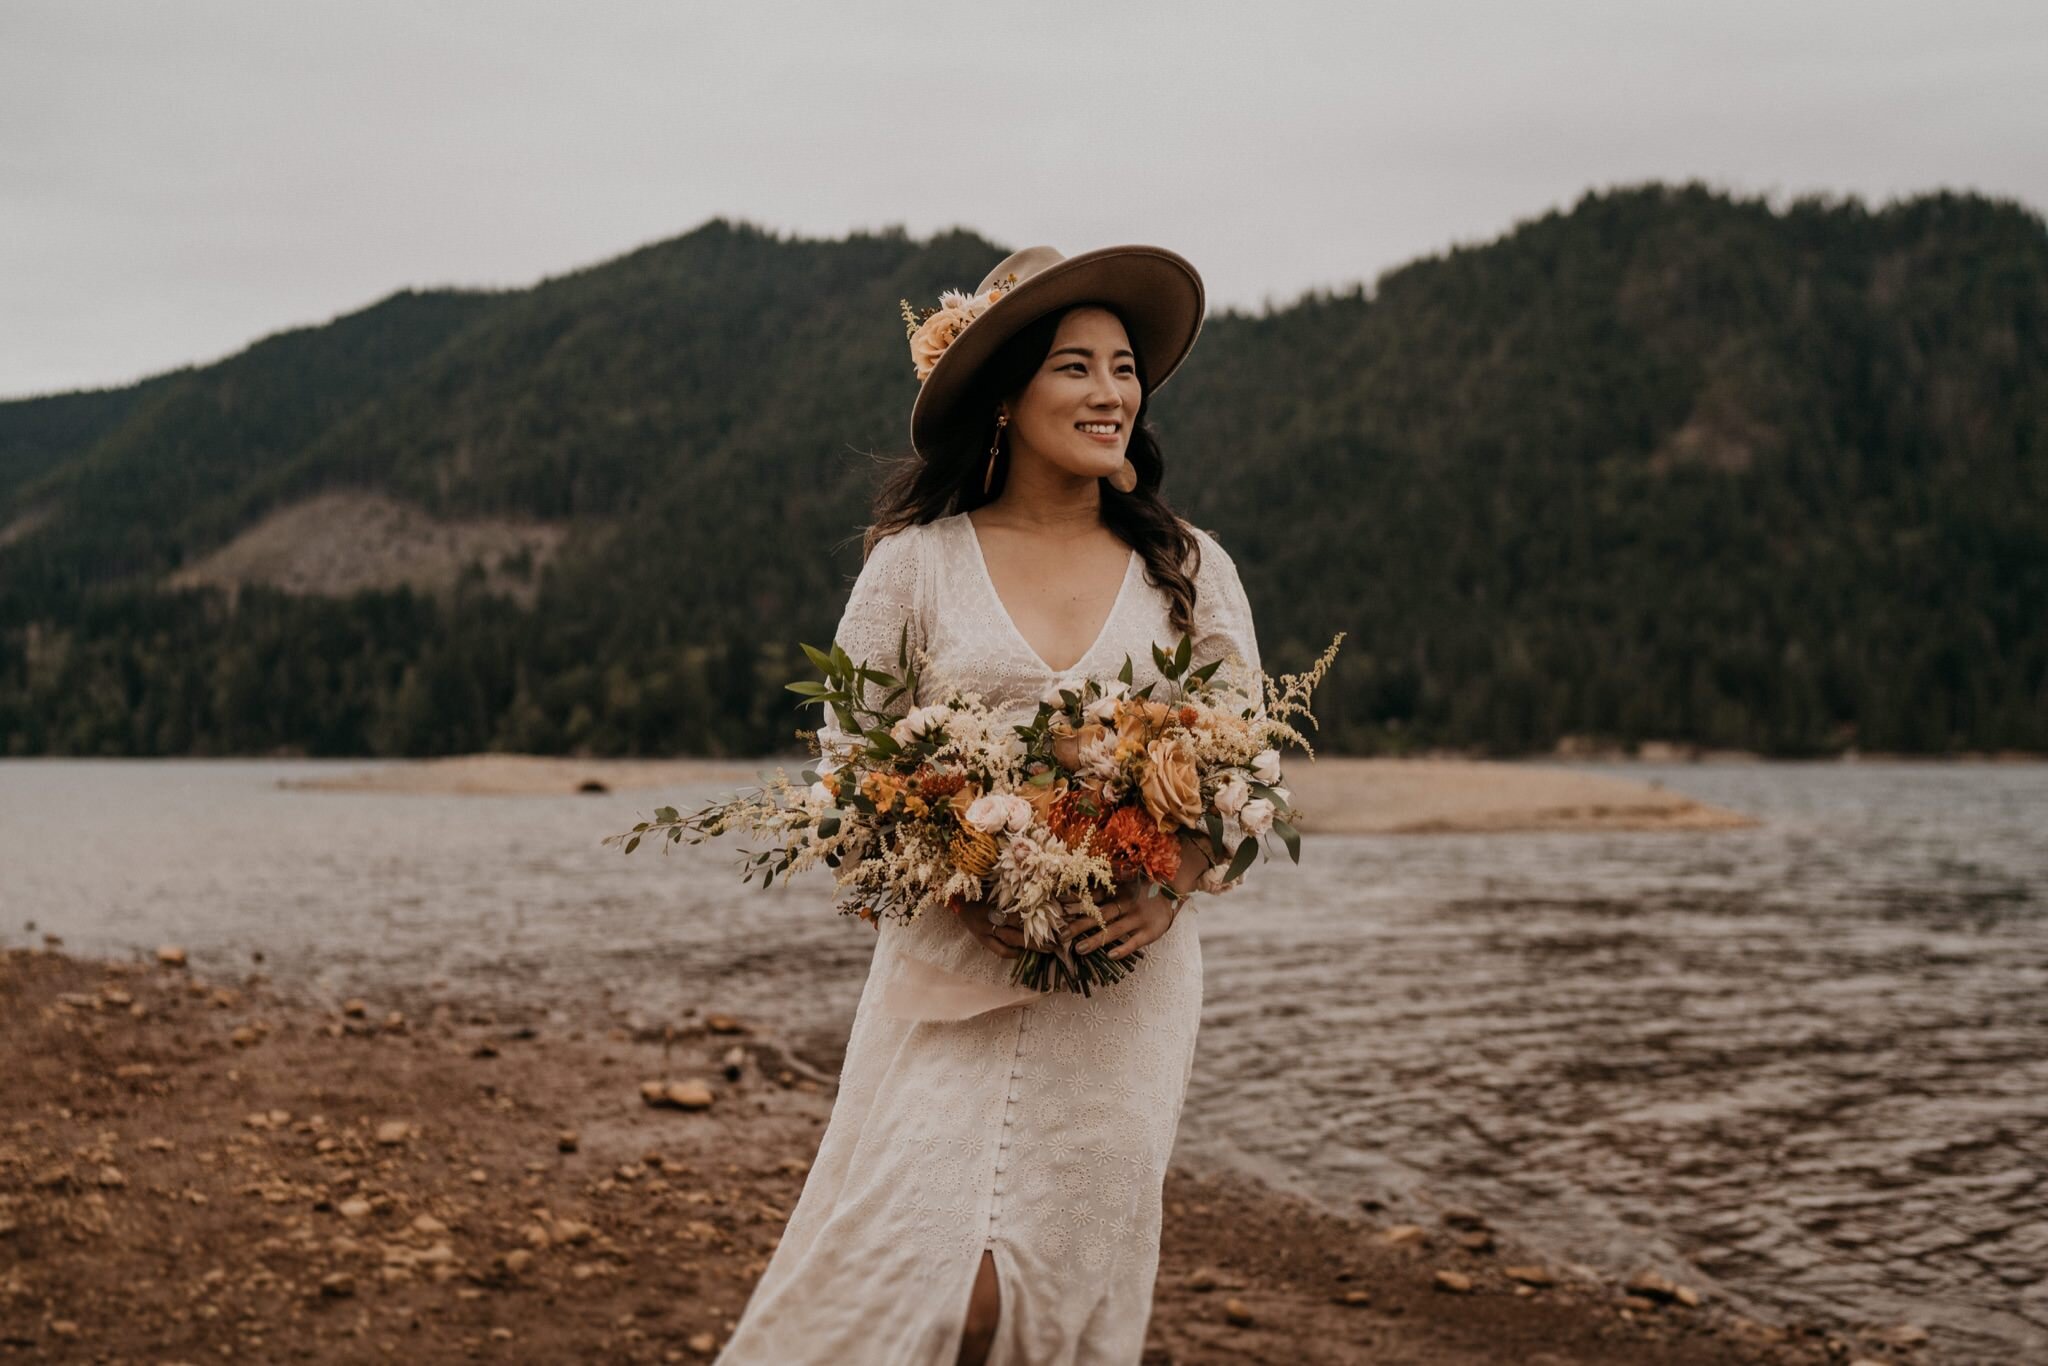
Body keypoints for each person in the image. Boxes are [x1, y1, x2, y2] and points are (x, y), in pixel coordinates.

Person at [715, 244, 1264, 1366]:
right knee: (929, 1291)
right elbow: (846, 761)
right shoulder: (914, 565)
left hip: (1120, 988)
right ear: (1007, 394)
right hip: (948, 968)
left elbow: (1248, 765)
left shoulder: (1188, 569)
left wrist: (1169, 881)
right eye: (1075, 365)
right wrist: (950, 877)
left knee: (1044, 1305)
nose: (1110, 392)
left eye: (1124, 368)